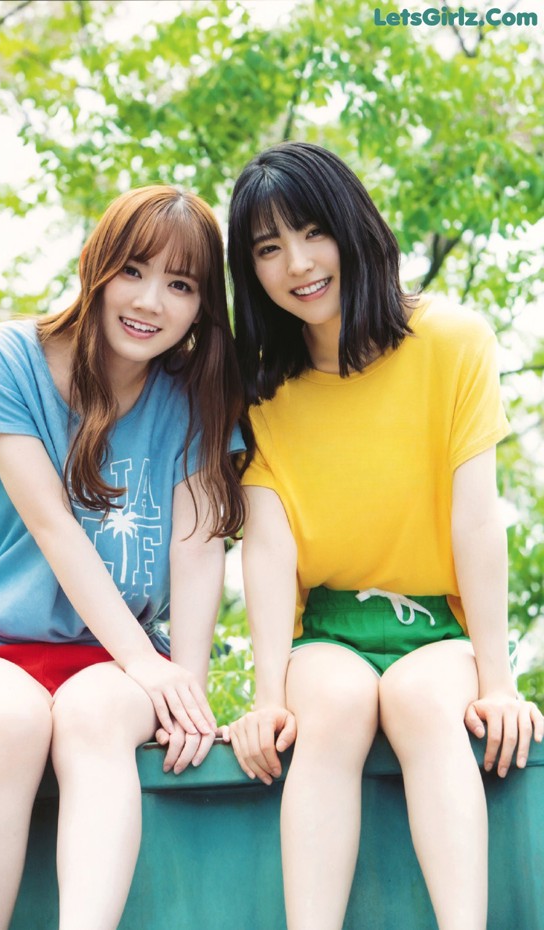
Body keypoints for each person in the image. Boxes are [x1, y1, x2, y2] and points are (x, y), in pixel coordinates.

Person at [222, 141, 544, 930]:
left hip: (435, 624)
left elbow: (476, 518)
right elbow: (266, 547)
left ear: (352, 225)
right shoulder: (258, 385)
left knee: (423, 703)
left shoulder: (453, 341)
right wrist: (268, 696)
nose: (297, 263)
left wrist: (498, 680)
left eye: (309, 231)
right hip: (324, 628)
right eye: (267, 249)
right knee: (330, 709)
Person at [0, 185, 245, 930]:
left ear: (201, 307)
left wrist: (183, 686)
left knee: (92, 718)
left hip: (111, 665)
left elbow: (197, 548)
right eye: (133, 270)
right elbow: (54, 527)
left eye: (181, 285)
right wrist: (150, 665)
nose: (151, 301)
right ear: (96, 266)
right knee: (14, 721)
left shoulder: (194, 398)